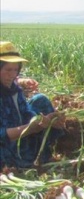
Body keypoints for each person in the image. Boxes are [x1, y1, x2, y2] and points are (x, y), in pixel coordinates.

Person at [0, 41, 65, 169]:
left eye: (15, 70)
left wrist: (41, 120)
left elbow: (26, 111)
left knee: (40, 100)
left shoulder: (14, 89)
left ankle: (56, 145)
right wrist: (28, 128)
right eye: (8, 70)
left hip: (19, 135)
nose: (12, 75)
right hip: (5, 144)